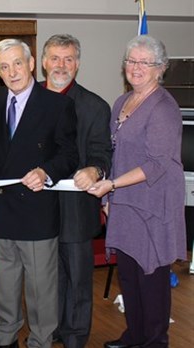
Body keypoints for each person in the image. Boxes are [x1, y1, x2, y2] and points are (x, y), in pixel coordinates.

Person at [0, 38, 78, 348]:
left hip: (37, 211)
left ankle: (40, 341)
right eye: (4, 67)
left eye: (18, 63)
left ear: (32, 64)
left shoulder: (57, 104)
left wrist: (46, 172)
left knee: (41, 291)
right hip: (2, 209)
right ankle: (5, 340)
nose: (12, 72)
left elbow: (69, 155)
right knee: (4, 288)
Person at [88, 35, 186, 348]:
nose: (136, 67)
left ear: (161, 69)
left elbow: (157, 164)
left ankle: (155, 340)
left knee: (151, 278)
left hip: (153, 205)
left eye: (145, 62)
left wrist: (113, 186)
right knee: (129, 275)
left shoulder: (163, 108)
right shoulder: (122, 102)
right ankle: (135, 335)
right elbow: (114, 154)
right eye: (131, 60)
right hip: (125, 202)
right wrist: (108, 198)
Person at [40, 34, 112, 348]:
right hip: (35, 208)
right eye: (55, 58)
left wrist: (94, 170)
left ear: (78, 64)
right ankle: (49, 328)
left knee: (78, 280)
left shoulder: (95, 106)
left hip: (76, 208)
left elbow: (101, 153)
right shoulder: (25, 100)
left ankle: (75, 338)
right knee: (44, 278)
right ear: (43, 62)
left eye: (69, 59)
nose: (61, 65)